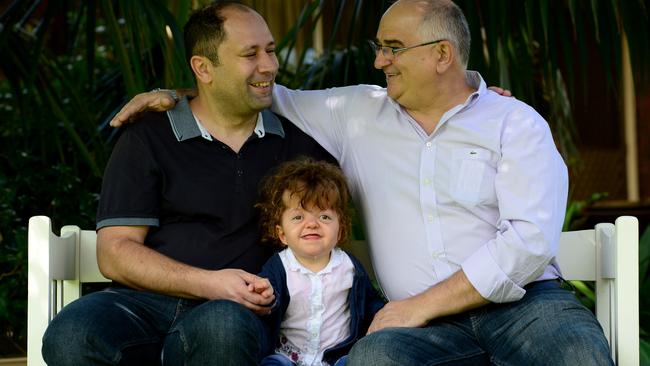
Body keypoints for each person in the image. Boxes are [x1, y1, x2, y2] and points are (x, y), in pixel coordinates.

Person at [112, 0, 613, 364]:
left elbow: (528, 243)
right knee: (375, 363)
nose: (378, 61)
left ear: (442, 55)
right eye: (379, 47)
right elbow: (245, 92)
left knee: (575, 354)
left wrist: (417, 307)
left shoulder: (515, 122)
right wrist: (171, 95)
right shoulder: (355, 112)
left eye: (393, 48)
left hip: (524, 306)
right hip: (420, 330)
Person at [41, 2, 333, 365]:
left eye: (270, 50)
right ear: (203, 68)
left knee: (223, 326)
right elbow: (115, 252)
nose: (270, 65)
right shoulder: (148, 136)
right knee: (72, 333)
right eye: (250, 54)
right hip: (144, 302)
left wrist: (225, 291)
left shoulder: (299, 144)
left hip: (238, 309)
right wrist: (209, 282)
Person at [255, 158, 385, 366]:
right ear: (282, 234)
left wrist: (382, 315)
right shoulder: (280, 266)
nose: (312, 224)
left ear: (340, 230)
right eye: (298, 218)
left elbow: (369, 302)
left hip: (337, 357)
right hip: (287, 356)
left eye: (324, 217)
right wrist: (263, 295)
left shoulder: (349, 267)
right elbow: (264, 299)